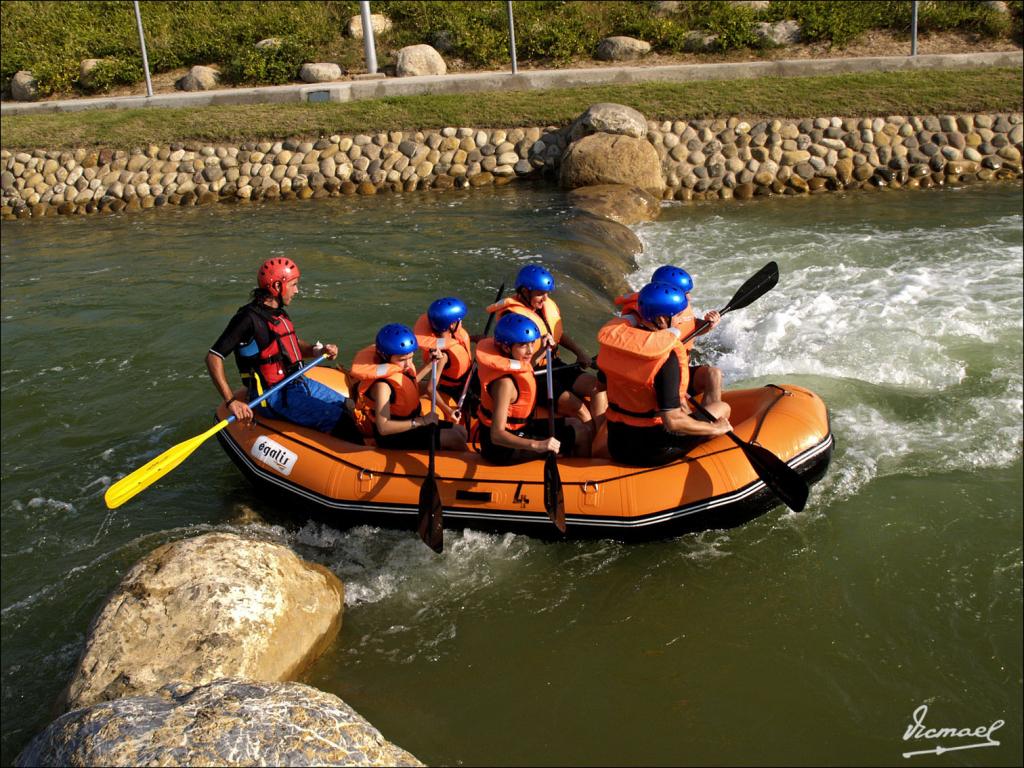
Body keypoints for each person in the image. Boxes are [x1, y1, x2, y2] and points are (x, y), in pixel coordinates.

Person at [206, 257, 362, 442]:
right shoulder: (246, 319)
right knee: (341, 420)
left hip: (297, 382)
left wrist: (317, 351)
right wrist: (231, 401)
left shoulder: (278, 312)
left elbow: (291, 345)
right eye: (294, 285)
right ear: (278, 286)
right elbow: (213, 357)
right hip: (273, 396)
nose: (297, 290)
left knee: (351, 406)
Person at [597, 281, 732, 467]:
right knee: (722, 408)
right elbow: (673, 422)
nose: (679, 321)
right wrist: (714, 428)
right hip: (653, 450)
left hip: (618, 445)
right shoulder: (665, 356)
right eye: (677, 316)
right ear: (661, 319)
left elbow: (601, 386)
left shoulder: (615, 346)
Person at [487, 264, 607, 430]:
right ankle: (590, 447)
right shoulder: (513, 319)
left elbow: (557, 334)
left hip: (554, 364)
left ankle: (601, 441)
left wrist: (580, 353)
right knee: (581, 411)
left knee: (596, 388)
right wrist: (542, 351)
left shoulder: (544, 306)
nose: (545, 299)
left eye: (547, 294)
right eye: (540, 294)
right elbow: (520, 365)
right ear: (524, 291)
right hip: (534, 374)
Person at [475, 313, 591, 464]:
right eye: (523, 345)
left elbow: (527, 368)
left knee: (574, 423)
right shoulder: (504, 384)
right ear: (506, 346)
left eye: (531, 343)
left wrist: (543, 349)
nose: (530, 350)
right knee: (581, 432)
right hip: (501, 449)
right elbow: (496, 435)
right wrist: (538, 445)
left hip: (518, 430)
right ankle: (581, 477)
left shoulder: (512, 361)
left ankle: (568, 459)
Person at [614, 264, 725, 408]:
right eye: (685, 293)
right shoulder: (644, 316)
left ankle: (711, 416)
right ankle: (704, 422)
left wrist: (707, 325)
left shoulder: (678, 307)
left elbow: (690, 327)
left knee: (714, 374)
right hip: (660, 377)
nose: (689, 297)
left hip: (681, 370)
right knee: (681, 404)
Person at [349, 323, 468, 451]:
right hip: (395, 436)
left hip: (413, 422)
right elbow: (383, 428)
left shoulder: (399, 368)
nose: (408, 364)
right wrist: (421, 421)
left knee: (461, 432)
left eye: (411, 357)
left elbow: (408, 384)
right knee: (454, 439)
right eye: (402, 359)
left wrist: (430, 364)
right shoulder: (382, 386)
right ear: (385, 356)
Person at [412, 296, 474, 410]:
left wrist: (474, 338)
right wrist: (449, 410)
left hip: (465, 383)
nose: (462, 323)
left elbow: (456, 342)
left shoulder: (449, 336)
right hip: (452, 391)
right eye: (460, 321)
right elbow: (430, 389)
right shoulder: (443, 355)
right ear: (452, 325)